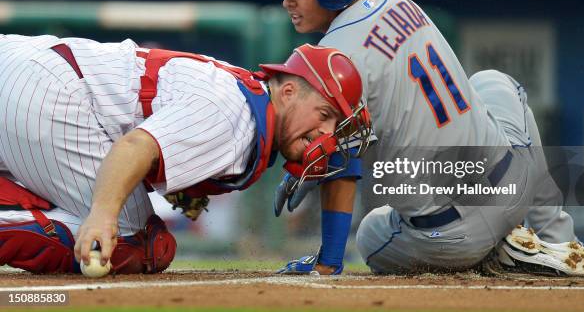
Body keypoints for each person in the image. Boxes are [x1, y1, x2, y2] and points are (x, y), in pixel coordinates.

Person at [263, 0, 584, 276]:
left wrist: (327, 263)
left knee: (371, 232)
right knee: (494, 82)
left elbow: (341, 165)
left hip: (453, 236)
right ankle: (558, 238)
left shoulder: (332, 61)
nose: (288, 1)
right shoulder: (399, 2)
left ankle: (499, 253)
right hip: (511, 190)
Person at [0, 34, 371, 274]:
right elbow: (134, 146)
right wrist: (101, 216)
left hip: (26, 65)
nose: (326, 133)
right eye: (324, 114)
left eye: (334, 125)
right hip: (50, 97)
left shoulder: (246, 94)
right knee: (139, 243)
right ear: (288, 92)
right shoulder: (235, 116)